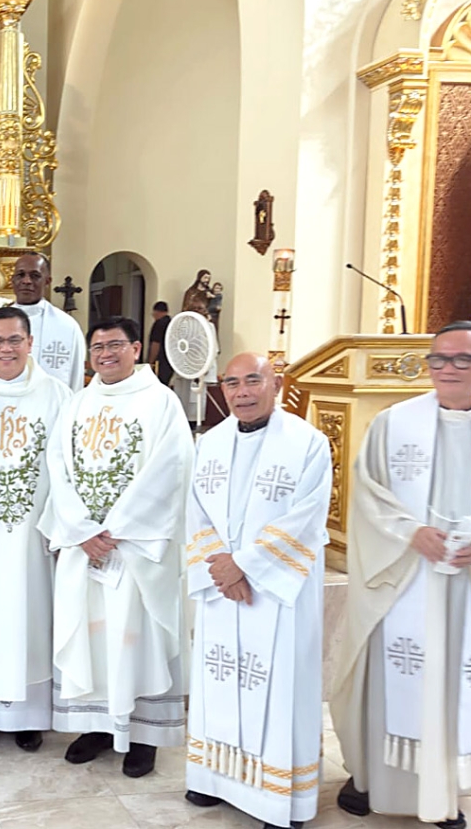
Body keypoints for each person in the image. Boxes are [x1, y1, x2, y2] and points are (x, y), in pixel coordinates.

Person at [40, 315, 194, 777]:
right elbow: (57, 466)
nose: (105, 354)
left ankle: (142, 735)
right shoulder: (77, 403)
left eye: (115, 345)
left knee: (136, 638)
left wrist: (118, 529)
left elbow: (171, 470)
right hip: (86, 545)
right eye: (97, 347)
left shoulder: (161, 402)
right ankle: (99, 726)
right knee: (95, 636)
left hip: (135, 546)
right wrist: (82, 530)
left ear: (136, 349)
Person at [184, 353, 332, 829]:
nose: (243, 392)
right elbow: (195, 511)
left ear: (276, 383)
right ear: (221, 390)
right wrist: (222, 571)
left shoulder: (308, 442)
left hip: (277, 591)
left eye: (253, 380)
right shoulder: (210, 442)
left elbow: (306, 520)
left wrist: (243, 566)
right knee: (219, 678)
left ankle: (278, 797)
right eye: (232, 383)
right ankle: (214, 778)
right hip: (224, 589)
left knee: (279, 686)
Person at [332, 321, 471, 829]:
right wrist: (410, 533)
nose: (447, 369)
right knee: (392, 672)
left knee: (453, 681)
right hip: (404, 574)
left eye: (461, 360)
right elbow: (367, 495)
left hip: (465, 586)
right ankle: (373, 778)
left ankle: (443, 791)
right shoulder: (395, 423)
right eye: (438, 359)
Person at [0, 306, 70, 751]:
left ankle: (30, 716)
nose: (5, 349)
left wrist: (59, 528)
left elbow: (68, 468)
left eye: (14, 340)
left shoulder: (57, 395)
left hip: (34, 532)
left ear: (30, 343)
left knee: (31, 617)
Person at [11, 252, 86, 391]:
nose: (26, 281)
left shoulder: (67, 327)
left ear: (47, 281)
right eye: (20, 275)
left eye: (35, 276)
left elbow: (76, 378)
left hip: (54, 409)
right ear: (12, 279)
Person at [147, 301, 172, 386]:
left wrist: (151, 362)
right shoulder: (172, 323)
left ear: (156, 312)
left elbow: (156, 344)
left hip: (160, 362)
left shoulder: (159, 324)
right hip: (170, 361)